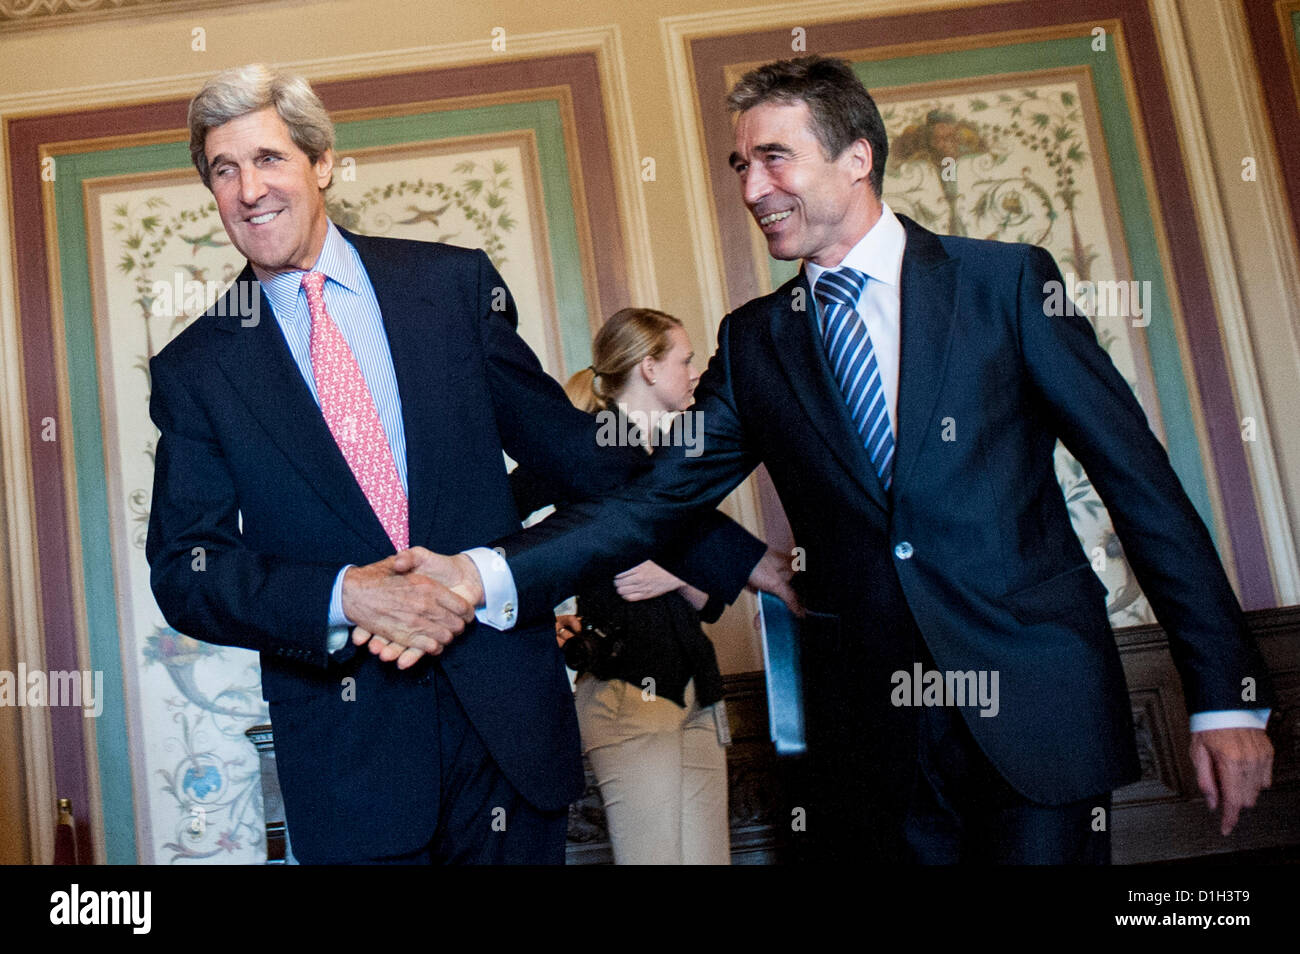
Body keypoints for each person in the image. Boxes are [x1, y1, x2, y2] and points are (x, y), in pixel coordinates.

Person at [388, 56, 1276, 863]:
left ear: (857, 157)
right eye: (741, 165)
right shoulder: (755, 342)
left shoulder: (1003, 283)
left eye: (775, 158)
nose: (753, 186)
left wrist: (1225, 694)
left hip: (1038, 709)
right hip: (874, 740)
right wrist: (483, 575)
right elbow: (647, 503)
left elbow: (1141, 484)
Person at [145, 64, 760, 865]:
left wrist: (740, 560)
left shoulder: (450, 286)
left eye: (268, 159)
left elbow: (577, 458)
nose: (248, 189)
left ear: (321, 163)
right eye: (223, 171)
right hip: (348, 756)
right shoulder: (198, 368)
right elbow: (186, 569)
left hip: (505, 727)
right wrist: (346, 594)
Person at [537, 308, 743, 864]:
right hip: (627, 693)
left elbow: (711, 598)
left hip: (699, 692)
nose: (695, 372)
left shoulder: (678, 462)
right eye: (685, 360)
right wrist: (541, 618)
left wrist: (677, 574)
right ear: (649, 368)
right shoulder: (587, 453)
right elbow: (502, 530)